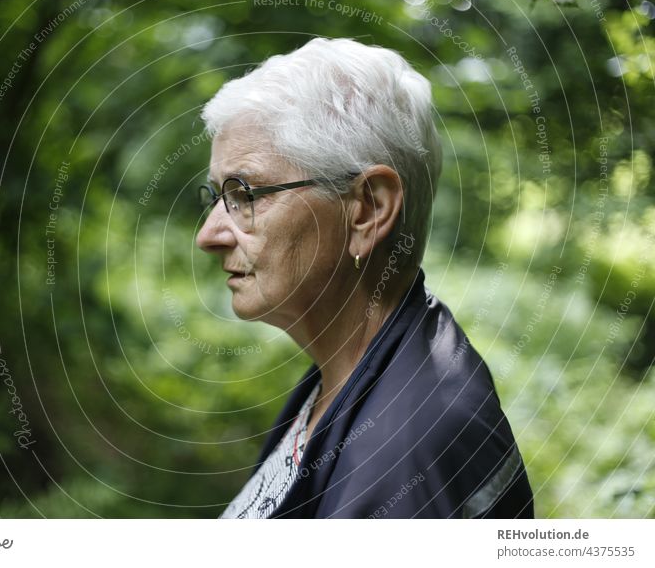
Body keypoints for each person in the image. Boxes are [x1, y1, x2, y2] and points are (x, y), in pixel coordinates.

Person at [195, 37, 534, 519]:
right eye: (216, 195)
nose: (208, 235)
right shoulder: (353, 374)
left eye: (245, 194)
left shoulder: (410, 447)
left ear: (368, 209)